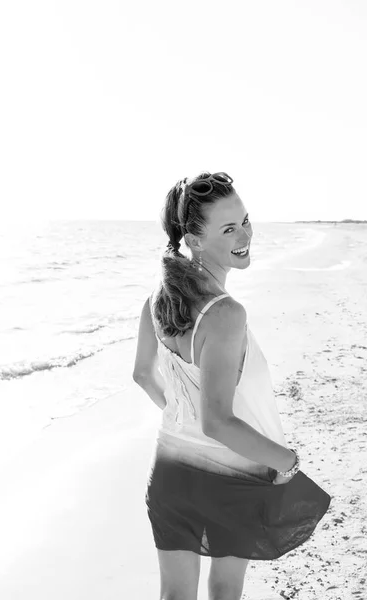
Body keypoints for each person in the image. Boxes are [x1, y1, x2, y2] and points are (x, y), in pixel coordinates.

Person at [132, 172, 330, 600]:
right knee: (225, 591)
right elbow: (218, 422)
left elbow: (143, 375)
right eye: (228, 228)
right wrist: (287, 461)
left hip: (169, 474)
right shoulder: (225, 314)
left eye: (244, 220)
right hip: (232, 478)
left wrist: (179, 416)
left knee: (174, 596)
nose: (245, 234)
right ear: (195, 239)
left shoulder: (156, 300)